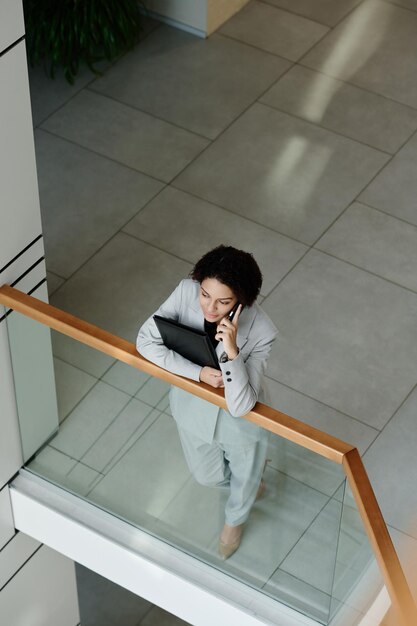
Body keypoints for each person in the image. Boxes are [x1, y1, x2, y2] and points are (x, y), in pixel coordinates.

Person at [136, 245, 277, 559]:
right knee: (207, 475)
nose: (210, 308)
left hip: (241, 424)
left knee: (244, 478)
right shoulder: (186, 293)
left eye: (223, 301)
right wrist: (197, 373)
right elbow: (145, 340)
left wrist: (230, 351)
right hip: (192, 406)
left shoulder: (262, 330)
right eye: (205, 295)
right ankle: (252, 482)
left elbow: (241, 405)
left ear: (242, 300)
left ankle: (234, 521)